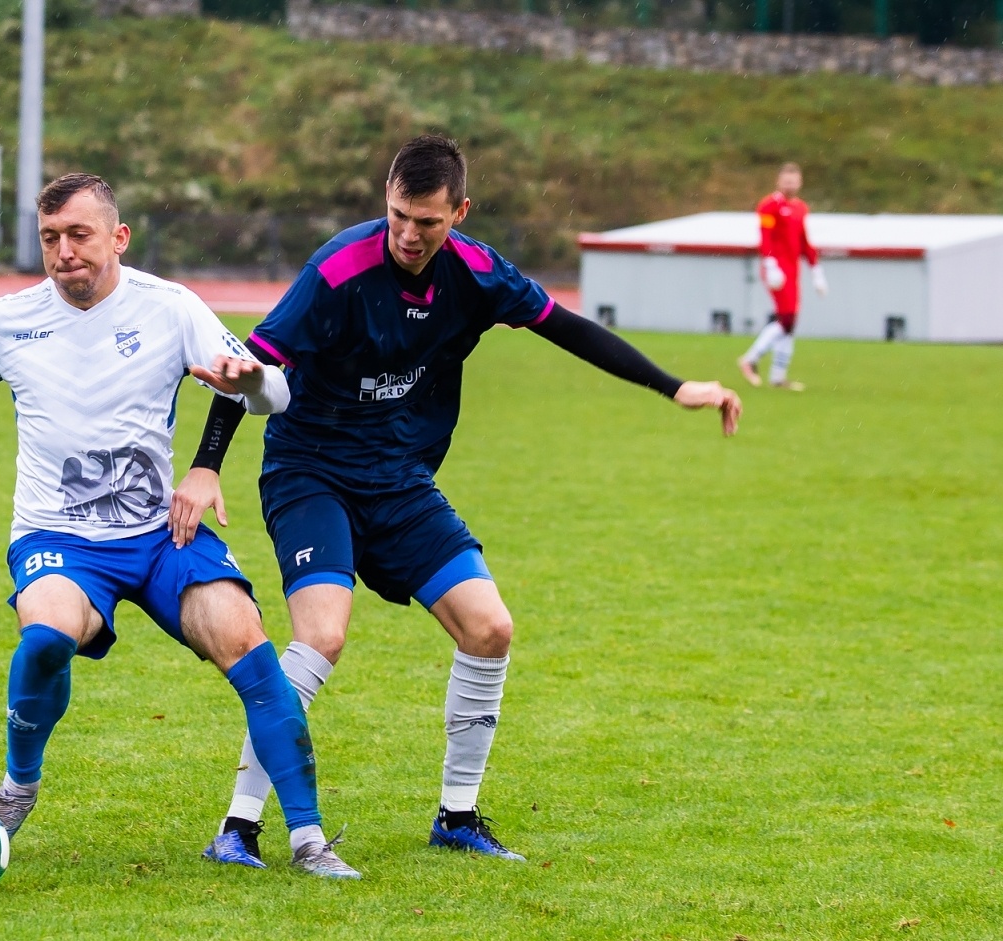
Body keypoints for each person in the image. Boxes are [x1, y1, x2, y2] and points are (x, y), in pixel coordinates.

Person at [0, 173, 359, 878]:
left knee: (249, 646)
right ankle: (18, 787)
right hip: (57, 539)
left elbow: (274, 391)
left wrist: (248, 380)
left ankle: (309, 839)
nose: (64, 252)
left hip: (158, 534)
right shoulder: (8, 321)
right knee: (45, 636)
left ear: (119, 237)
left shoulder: (170, 307)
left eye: (79, 234)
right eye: (50, 238)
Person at [168, 136, 742, 868]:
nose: (409, 235)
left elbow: (567, 329)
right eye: (399, 216)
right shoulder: (337, 270)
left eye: (428, 222)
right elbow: (248, 367)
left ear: (459, 213)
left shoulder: (477, 271)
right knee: (323, 636)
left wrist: (674, 386)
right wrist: (206, 466)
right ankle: (238, 826)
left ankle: (458, 816)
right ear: (386, 198)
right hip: (311, 472)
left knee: (489, 627)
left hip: (399, 478)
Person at [738, 162, 827, 391]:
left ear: (800, 182)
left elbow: (804, 241)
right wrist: (770, 263)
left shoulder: (800, 208)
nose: (790, 185)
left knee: (790, 322)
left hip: (793, 268)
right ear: (778, 181)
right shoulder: (769, 206)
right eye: (786, 181)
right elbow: (765, 236)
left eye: (794, 181)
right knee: (786, 319)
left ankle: (778, 376)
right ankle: (750, 359)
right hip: (777, 268)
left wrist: (816, 270)